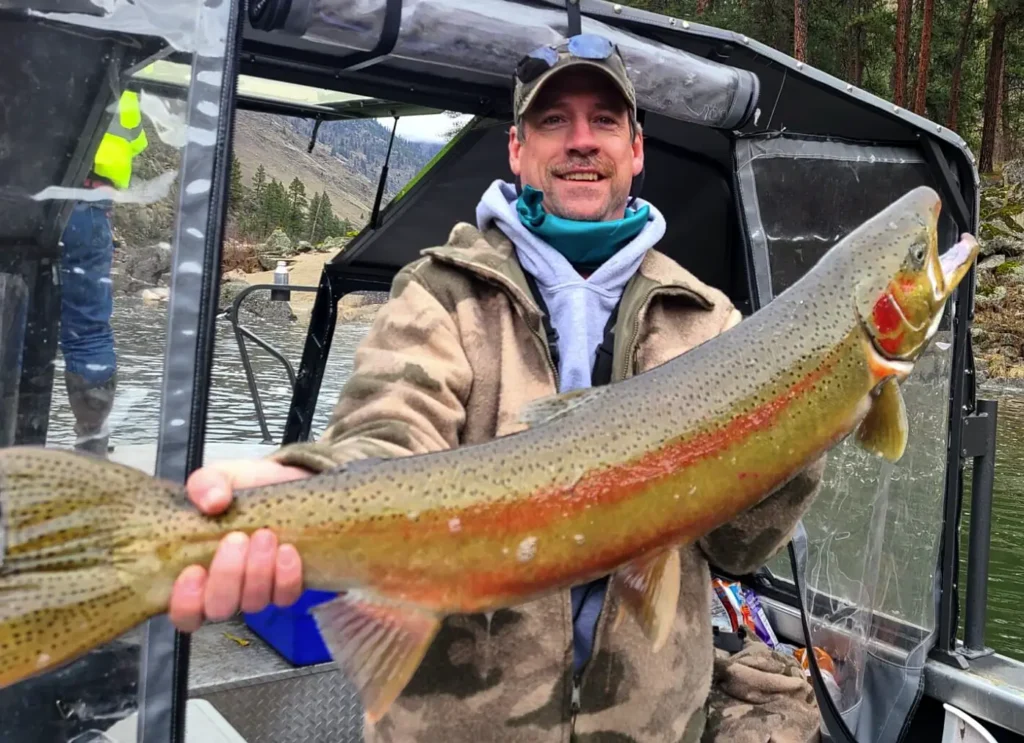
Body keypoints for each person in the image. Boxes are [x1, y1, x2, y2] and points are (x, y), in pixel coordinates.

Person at [170, 35, 825, 742]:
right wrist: (305, 482)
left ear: (636, 150)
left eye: (604, 121)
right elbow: (389, 436)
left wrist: (814, 413)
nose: (581, 141)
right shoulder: (440, 294)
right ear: (517, 149)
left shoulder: (712, 323)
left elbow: (737, 547)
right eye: (554, 121)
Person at [60, 89, 148, 456]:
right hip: (90, 207)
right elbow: (137, 142)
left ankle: (14, 442)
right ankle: (92, 444)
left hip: (20, 198)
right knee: (89, 331)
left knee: (11, 321)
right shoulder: (123, 80)